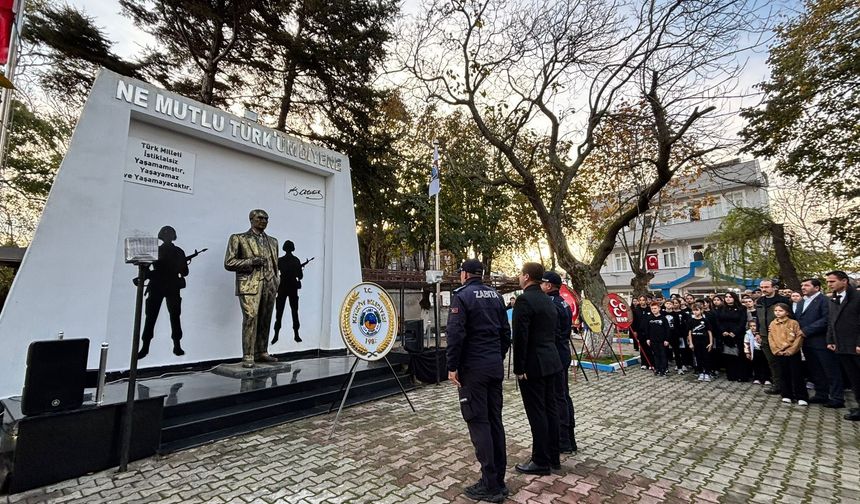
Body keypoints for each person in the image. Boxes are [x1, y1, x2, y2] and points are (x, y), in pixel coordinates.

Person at [446, 259, 511, 502]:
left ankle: (490, 485)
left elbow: (455, 334)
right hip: (494, 366)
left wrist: (452, 366)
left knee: (478, 422)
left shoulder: (462, 296)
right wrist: (497, 355)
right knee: (495, 421)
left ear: (464, 274)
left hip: (473, 369)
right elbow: (506, 333)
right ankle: (499, 481)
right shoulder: (496, 296)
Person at [512, 262, 562, 476]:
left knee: (537, 413)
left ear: (526, 277)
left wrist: (519, 367)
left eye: (520, 275)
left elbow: (521, 337)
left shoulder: (524, 300)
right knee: (551, 409)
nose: (519, 277)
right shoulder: (547, 299)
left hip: (533, 365)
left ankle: (540, 460)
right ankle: (554, 456)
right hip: (552, 361)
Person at [224, 209, 280, 368]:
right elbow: (229, 263)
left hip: (270, 285)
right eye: (260, 218)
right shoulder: (239, 238)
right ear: (251, 219)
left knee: (265, 318)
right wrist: (250, 261)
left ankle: (261, 351)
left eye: (266, 218)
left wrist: (276, 281)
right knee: (251, 317)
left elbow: (275, 266)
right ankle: (248, 355)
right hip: (249, 284)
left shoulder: (274, 241)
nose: (264, 221)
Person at [138, 225, 191, 359]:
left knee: (171, 317)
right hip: (161, 286)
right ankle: (146, 347)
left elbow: (184, 272)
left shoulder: (165, 251)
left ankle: (175, 345)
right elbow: (184, 272)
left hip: (167, 286)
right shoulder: (174, 251)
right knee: (153, 317)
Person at [540, 271, 577, 454]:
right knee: (563, 395)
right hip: (563, 351)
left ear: (548, 285)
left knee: (558, 397)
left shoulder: (552, 304)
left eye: (543, 283)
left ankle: (563, 440)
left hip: (556, 353)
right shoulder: (563, 302)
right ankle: (569, 438)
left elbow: (551, 332)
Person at [798, 278, 841, 408]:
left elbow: (826, 319)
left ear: (816, 288)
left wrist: (807, 330)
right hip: (806, 342)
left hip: (821, 341)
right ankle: (821, 394)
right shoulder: (801, 302)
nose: (803, 287)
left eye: (806, 285)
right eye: (802, 285)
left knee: (830, 370)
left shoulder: (825, 301)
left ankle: (837, 397)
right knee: (815, 369)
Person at [825, 271, 860, 421]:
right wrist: (830, 340)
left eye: (832, 281)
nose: (829, 284)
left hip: (856, 344)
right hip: (841, 344)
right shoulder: (833, 298)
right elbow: (832, 321)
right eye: (828, 281)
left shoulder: (857, 297)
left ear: (844, 281)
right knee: (854, 378)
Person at [756, 280, 791, 394]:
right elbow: (758, 318)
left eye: (766, 287)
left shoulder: (783, 300)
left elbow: (791, 318)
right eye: (761, 287)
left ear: (774, 288)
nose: (763, 289)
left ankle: (789, 386)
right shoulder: (760, 301)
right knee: (772, 362)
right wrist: (757, 332)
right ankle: (777, 385)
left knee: (784, 362)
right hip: (765, 336)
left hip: (781, 336)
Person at [769, 303, 807, 405]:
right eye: (776, 311)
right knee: (783, 374)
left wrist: (791, 350)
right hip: (779, 353)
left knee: (796, 374)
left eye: (780, 311)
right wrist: (776, 350)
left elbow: (799, 337)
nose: (777, 313)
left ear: (787, 312)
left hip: (792, 353)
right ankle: (786, 395)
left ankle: (801, 396)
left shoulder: (793, 323)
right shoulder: (773, 324)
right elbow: (771, 338)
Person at [273, 240, 306, 344]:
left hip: (282, 287)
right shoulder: (296, 260)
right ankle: (296, 335)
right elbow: (300, 276)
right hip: (292, 288)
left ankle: (276, 336)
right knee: (294, 312)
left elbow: (275, 273)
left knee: (279, 313)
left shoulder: (280, 260)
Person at [717, 292, 747, 382]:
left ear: (734, 298)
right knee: (728, 356)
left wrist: (735, 332)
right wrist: (723, 331)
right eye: (726, 297)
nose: (728, 298)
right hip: (726, 335)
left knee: (740, 355)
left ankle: (741, 375)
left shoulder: (742, 308)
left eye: (730, 297)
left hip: (738, 335)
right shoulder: (721, 308)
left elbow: (742, 321)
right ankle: (731, 375)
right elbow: (718, 321)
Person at [687, 303, 713, 381]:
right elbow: (689, 332)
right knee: (698, 358)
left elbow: (709, 332)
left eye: (697, 310)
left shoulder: (705, 320)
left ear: (701, 310)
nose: (695, 312)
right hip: (695, 342)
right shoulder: (691, 320)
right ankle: (701, 372)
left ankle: (707, 373)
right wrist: (691, 343)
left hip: (705, 342)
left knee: (706, 358)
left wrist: (711, 343)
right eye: (694, 310)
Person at [645, 301, 671, 376]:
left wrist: (667, 339)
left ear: (659, 309)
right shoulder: (649, 318)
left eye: (655, 308)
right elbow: (647, 329)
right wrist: (648, 339)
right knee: (656, 355)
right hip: (653, 340)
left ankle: (664, 369)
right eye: (652, 309)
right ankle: (657, 368)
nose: (654, 310)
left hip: (662, 341)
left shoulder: (663, 318)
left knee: (663, 355)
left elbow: (667, 330)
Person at [744, 320, 770, 385]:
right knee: (756, 365)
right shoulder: (748, 334)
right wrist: (747, 352)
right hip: (755, 351)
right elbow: (746, 344)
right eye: (751, 326)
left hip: (763, 350)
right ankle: (756, 378)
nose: (753, 327)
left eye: (754, 326)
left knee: (765, 365)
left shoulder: (762, 333)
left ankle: (766, 378)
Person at [631, 296, 653, 370]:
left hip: (650, 332)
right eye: (640, 300)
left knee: (650, 348)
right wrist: (634, 331)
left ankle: (651, 363)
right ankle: (644, 363)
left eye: (643, 300)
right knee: (642, 348)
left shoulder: (650, 309)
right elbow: (634, 322)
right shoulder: (636, 310)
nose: (642, 301)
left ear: (646, 301)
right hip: (640, 332)